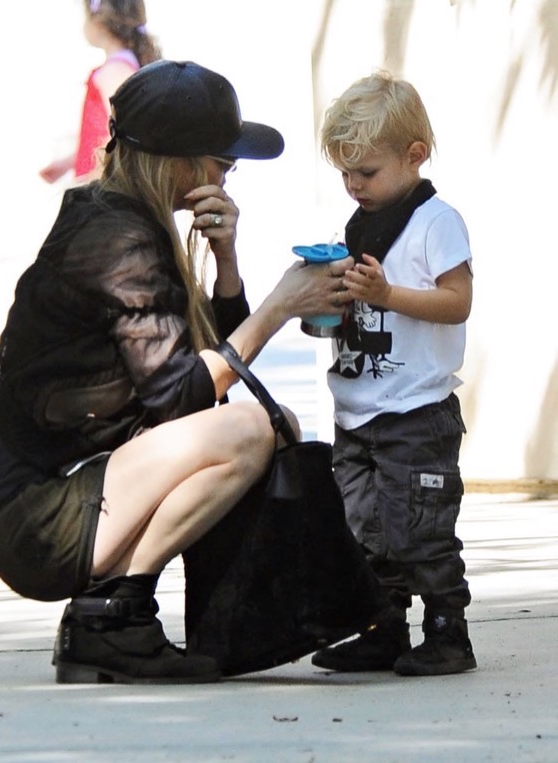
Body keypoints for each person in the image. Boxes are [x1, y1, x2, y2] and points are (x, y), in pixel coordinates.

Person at [0, 59, 359, 685]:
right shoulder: (116, 243)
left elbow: (203, 369)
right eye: (222, 162)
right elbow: (182, 397)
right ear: (179, 164)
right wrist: (280, 308)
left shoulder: (124, 221)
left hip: (79, 493)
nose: (227, 177)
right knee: (252, 430)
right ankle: (111, 615)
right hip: (39, 517)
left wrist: (227, 262)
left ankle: (118, 617)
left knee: (273, 426)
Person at [310, 71, 476, 677]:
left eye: (366, 172)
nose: (354, 185)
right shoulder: (358, 224)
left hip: (416, 411)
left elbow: (457, 302)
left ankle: (448, 633)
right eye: (344, 173)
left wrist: (386, 294)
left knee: (420, 530)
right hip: (357, 412)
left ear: (414, 156)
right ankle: (382, 629)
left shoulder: (436, 222)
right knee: (363, 532)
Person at [39, 0, 162, 185]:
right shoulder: (118, 67)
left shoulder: (115, 71)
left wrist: (94, 177)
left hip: (103, 188)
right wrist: (69, 163)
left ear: (98, 21)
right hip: (99, 186)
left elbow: (124, 130)